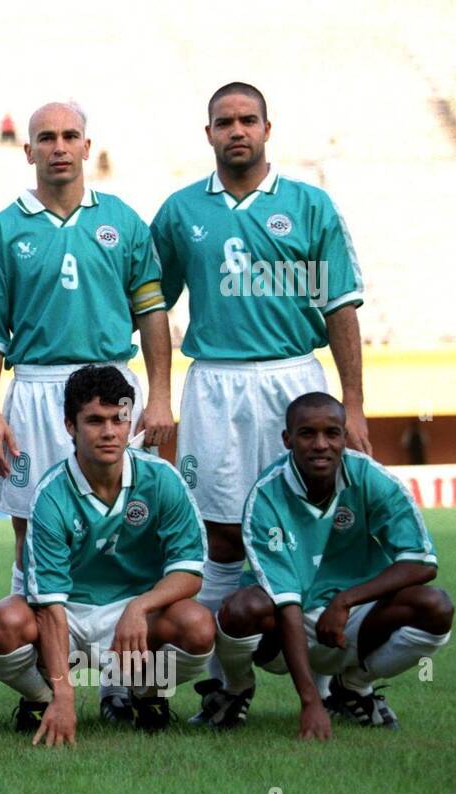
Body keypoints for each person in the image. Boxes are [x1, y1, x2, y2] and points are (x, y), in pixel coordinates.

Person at [149, 83, 370, 714]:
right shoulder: (180, 211)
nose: (236, 130)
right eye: (225, 122)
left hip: (294, 380)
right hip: (215, 382)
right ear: (209, 133)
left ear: (268, 128)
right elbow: (153, 305)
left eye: (248, 120)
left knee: (316, 530)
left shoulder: (310, 206)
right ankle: (228, 686)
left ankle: (338, 684)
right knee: (217, 538)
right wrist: (160, 394)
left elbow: (341, 308)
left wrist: (352, 405)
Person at [0, 100, 174, 723]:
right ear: (27, 151)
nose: (58, 146)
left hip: (111, 388)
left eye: (70, 136)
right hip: (35, 390)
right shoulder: (5, 227)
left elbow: (153, 315)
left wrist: (159, 394)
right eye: (45, 138)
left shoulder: (124, 222)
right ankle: (43, 687)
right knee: (32, 536)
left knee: (129, 532)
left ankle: (125, 680)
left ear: (88, 146)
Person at [0, 365, 214, 742]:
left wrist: (139, 607)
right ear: (70, 426)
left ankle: (147, 693)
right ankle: (41, 699)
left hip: (135, 618)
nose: (109, 431)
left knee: (198, 626)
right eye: (94, 420)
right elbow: (50, 605)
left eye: (118, 419)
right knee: (4, 624)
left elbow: (189, 571)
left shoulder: (163, 479)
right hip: (69, 617)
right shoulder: (51, 494)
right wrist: (64, 694)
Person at [204, 393, 452, 739]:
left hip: (355, 617)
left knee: (435, 605)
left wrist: (345, 601)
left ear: (344, 435)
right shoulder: (267, 495)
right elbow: (286, 601)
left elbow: (421, 562)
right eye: (307, 434)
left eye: (332, 433)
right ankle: (236, 689)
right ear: (287, 440)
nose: (321, 444)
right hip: (285, 624)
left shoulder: (371, 478)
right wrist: (309, 702)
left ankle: (353, 686)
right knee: (242, 608)